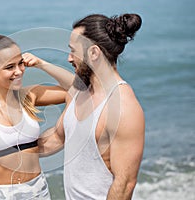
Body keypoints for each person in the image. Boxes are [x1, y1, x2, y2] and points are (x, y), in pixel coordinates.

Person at [38, 13, 145, 199]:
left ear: (94, 53)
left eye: (73, 51)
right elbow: (58, 137)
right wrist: (12, 148)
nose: (69, 59)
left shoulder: (123, 107)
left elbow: (124, 184)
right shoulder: (79, 91)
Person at [0, 35, 73, 200]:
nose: (18, 71)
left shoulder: (29, 96)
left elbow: (77, 89)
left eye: (20, 63)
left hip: (38, 192)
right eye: (10, 67)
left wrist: (42, 64)